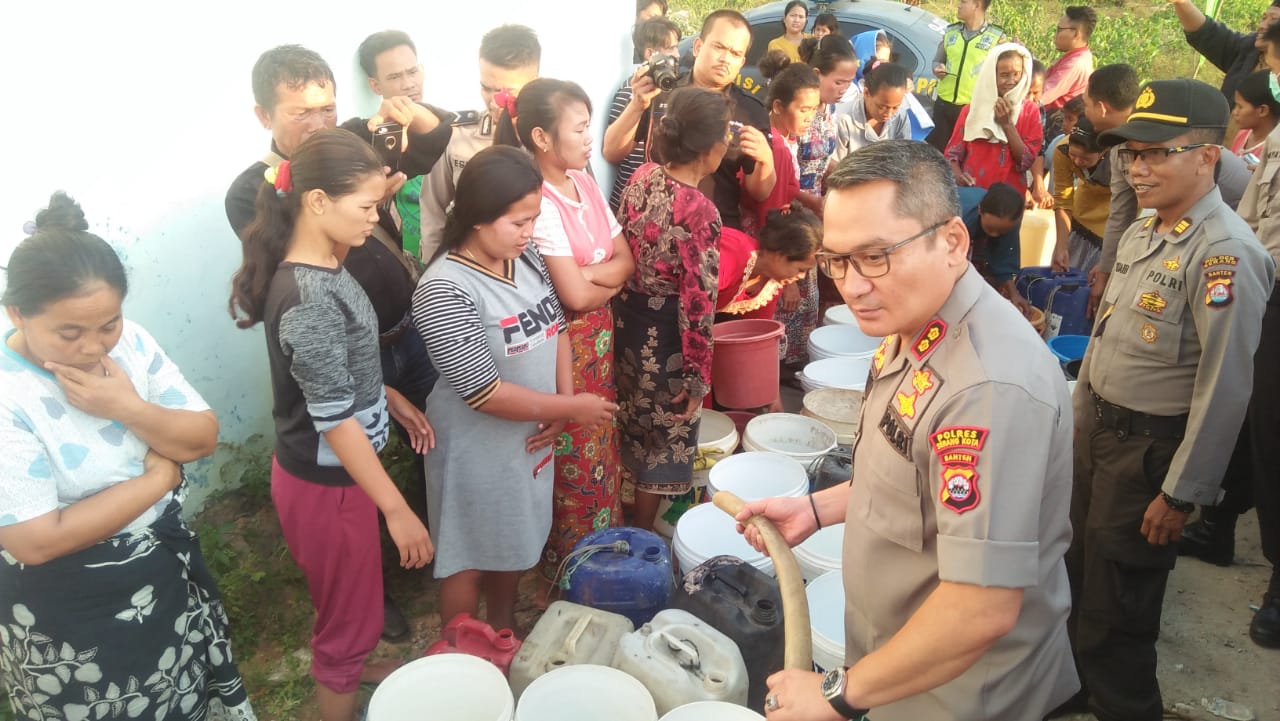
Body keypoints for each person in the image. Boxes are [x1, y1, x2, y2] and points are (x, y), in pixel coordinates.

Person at [738, 140, 1079, 721]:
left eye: (876, 256)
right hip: (895, 660)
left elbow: (980, 608)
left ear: (953, 241)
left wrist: (836, 695)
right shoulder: (917, 319)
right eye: (837, 260)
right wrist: (815, 510)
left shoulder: (985, 389)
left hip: (955, 693)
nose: (853, 285)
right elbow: (906, 476)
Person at [224, 44, 451, 644]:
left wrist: (390, 153)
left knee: (427, 442)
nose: (320, 122)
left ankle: (424, 548)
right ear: (263, 115)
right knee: (353, 481)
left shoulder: (352, 147)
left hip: (396, 339)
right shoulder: (260, 198)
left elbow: (435, 142)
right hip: (346, 360)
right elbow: (310, 287)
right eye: (301, 112)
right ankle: (371, 592)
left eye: (326, 107)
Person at [1066, 78, 1275, 721]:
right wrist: (1077, 423)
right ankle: (1079, 689)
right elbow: (1105, 341)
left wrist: (1183, 493)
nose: (1138, 167)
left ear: (1209, 156)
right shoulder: (1144, 230)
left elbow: (1226, 386)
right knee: (1079, 574)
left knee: (1120, 608)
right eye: (1133, 153)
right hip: (1100, 437)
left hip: (1150, 455)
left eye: (1158, 153)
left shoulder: (1226, 253)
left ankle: (1125, 706)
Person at [0, 194, 254, 721]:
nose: (95, 348)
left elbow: (200, 437)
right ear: (17, 313)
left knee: (184, 695)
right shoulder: (9, 395)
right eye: (70, 333)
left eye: (108, 323)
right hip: (66, 614)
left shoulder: (131, 345)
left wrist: (127, 407)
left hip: (161, 580)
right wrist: (158, 478)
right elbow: (35, 539)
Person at [228, 129, 434, 721]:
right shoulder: (310, 296)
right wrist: (397, 508)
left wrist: (386, 394)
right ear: (317, 201)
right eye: (367, 205)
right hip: (328, 486)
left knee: (349, 601)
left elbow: (333, 371)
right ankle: (341, 675)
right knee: (350, 617)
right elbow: (335, 418)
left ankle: (349, 658)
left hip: (340, 476)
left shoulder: (327, 261)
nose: (375, 216)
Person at [411, 145, 617, 633]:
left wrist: (562, 406)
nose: (529, 232)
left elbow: (558, 327)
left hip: (529, 438)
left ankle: (503, 635)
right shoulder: (445, 288)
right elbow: (482, 392)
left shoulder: (524, 260)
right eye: (518, 222)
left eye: (534, 219)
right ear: (477, 218)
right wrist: (570, 406)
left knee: (514, 544)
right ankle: (462, 653)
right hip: (475, 449)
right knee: (468, 556)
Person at [496, 78, 635, 599]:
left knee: (599, 444)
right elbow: (571, 297)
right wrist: (600, 279)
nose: (588, 138)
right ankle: (566, 576)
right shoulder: (540, 200)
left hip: (598, 339)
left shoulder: (585, 182)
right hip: (563, 347)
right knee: (572, 454)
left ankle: (601, 557)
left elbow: (625, 261)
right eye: (579, 129)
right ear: (541, 137)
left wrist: (590, 275)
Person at [615, 86, 728, 532]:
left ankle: (623, 517)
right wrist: (698, 378)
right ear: (711, 148)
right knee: (660, 441)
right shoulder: (700, 210)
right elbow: (698, 304)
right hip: (665, 337)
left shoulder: (642, 175)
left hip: (626, 319)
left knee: (630, 423)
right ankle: (643, 534)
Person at [603, 9, 776, 232]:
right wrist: (637, 105)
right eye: (719, 47)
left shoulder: (751, 111)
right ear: (697, 47)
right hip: (653, 224)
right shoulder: (662, 90)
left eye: (735, 53)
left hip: (714, 231)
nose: (725, 59)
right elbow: (612, 152)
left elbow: (760, 193)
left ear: (742, 61)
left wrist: (766, 160)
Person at [1231, 18, 1280, 648]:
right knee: (1249, 415)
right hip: (1262, 287)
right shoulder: (1275, 141)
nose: (1268, 71)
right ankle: (1220, 525)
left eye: (1271, 61)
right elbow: (1251, 219)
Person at [420, 25, 541, 261]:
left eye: (507, 92)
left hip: (542, 269)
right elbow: (433, 212)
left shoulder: (553, 136)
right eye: (486, 88)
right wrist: (433, 267)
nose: (495, 102)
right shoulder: (456, 135)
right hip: (472, 267)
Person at [752, 61, 821, 370]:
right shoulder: (776, 148)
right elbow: (769, 214)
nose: (810, 118)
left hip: (779, 247)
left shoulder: (786, 140)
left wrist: (813, 202)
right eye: (803, 110)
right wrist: (785, 282)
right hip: (772, 250)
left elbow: (789, 188)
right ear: (778, 106)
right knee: (769, 324)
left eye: (814, 110)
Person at [358, 30, 429, 258]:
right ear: (375, 86)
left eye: (413, 72)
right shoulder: (365, 143)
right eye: (395, 77)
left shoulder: (450, 129)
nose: (409, 84)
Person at [946, 44, 1043, 194]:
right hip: (973, 192)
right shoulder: (972, 111)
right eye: (1004, 75)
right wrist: (959, 176)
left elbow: (1026, 161)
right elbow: (952, 155)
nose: (1011, 81)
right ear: (991, 75)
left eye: (1016, 74)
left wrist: (1007, 124)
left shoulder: (1030, 112)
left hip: (1008, 197)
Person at [608, 16, 683, 211]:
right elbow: (612, 152)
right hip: (632, 202)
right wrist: (637, 104)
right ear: (651, 53)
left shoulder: (674, 88)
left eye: (677, 47)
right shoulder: (630, 91)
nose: (677, 54)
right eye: (671, 48)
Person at [1167, 0, 1280, 110]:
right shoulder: (1249, 49)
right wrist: (1182, 2)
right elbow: (1207, 33)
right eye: (1264, 18)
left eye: (1273, 20)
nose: (1262, 26)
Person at [927, 0, 1008, 151]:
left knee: (965, 154)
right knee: (936, 153)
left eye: (963, 2)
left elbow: (1003, 74)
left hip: (973, 109)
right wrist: (938, 68)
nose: (958, 5)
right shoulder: (951, 32)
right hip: (944, 105)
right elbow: (937, 60)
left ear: (977, 5)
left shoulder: (996, 37)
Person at [718, 202, 820, 318]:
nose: (802, 276)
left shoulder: (771, 283)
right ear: (780, 255)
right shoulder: (730, 257)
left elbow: (758, 325)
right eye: (800, 269)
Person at [797, 34, 858, 201]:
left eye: (849, 82)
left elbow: (821, 161)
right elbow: (782, 177)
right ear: (816, 74)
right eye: (839, 82)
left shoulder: (830, 108)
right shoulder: (796, 111)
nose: (845, 89)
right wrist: (816, 204)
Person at [958, 182, 1033, 314]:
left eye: (1001, 232)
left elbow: (1004, 258)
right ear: (980, 210)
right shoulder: (958, 215)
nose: (994, 235)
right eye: (990, 229)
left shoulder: (1009, 221)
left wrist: (1014, 294)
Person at [1051, 115, 1110, 273]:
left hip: (1112, 220)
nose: (1077, 162)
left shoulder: (1120, 160)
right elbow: (1063, 199)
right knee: (1063, 270)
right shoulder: (1062, 150)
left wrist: (1108, 260)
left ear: (1103, 152)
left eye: (1085, 158)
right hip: (1082, 210)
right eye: (1073, 155)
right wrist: (1061, 247)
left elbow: (1125, 209)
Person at [831, 62, 914, 164]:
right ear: (866, 93)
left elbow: (904, 157)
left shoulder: (900, 116)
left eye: (895, 107)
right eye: (881, 107)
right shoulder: (844, 118)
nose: (889, 114)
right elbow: (834, 164)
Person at [1040, 6, 1096, 115]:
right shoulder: (1077, 56)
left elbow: (1041, 96)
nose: (1055, 35)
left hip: (1050, 119)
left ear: (1076, 33)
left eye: (1059, 30)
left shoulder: (1075, 64)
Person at [1230, 69, 1280, 167]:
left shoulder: (1273, 154)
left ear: (1262, 110)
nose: (1234, 112)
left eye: (1240, 107)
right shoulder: (1244, 134)